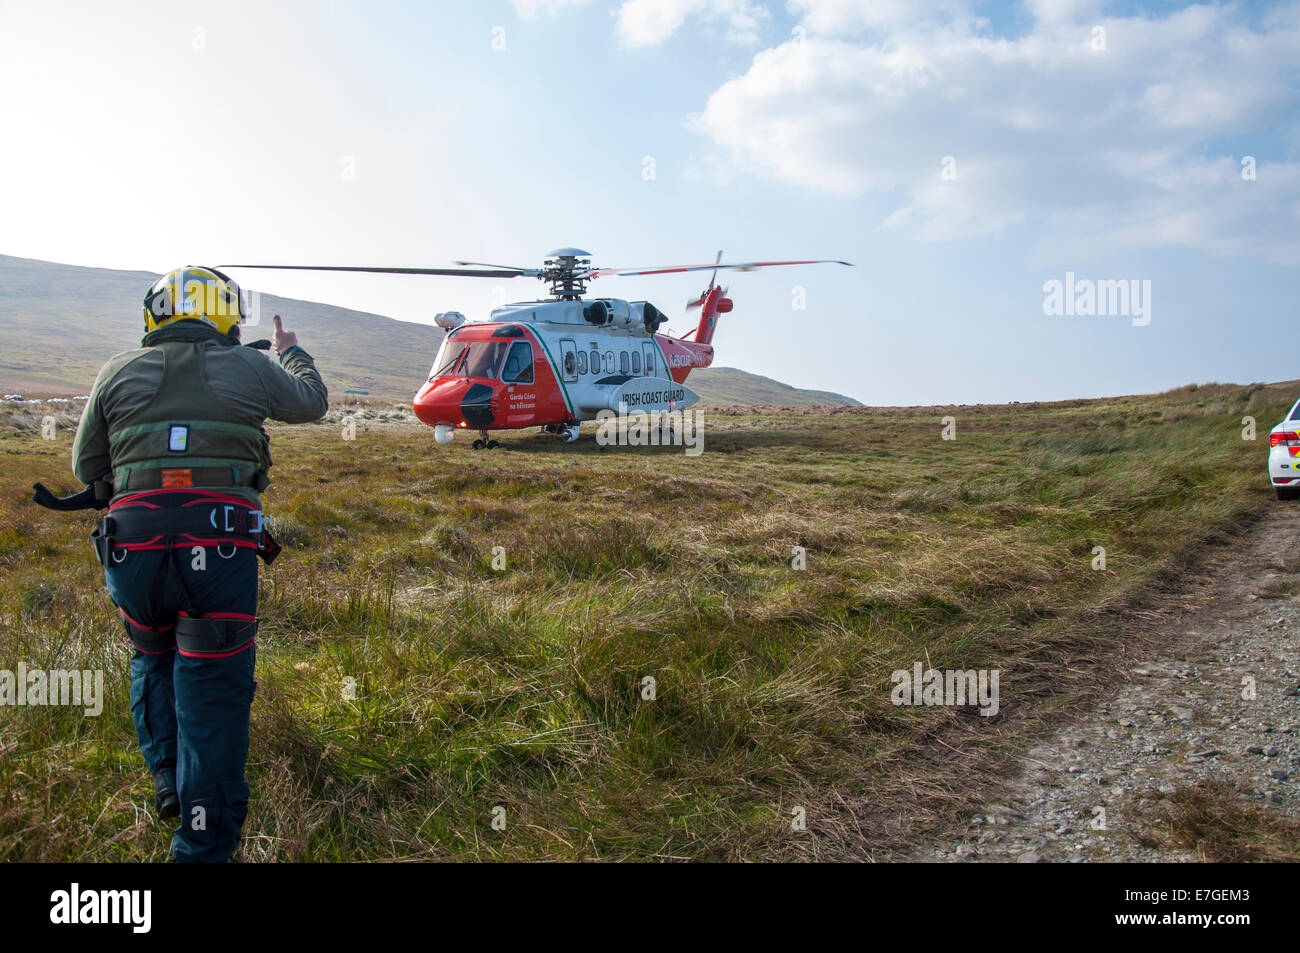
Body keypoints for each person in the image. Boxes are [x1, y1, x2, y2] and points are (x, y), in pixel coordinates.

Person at [70, 266, 328, 862]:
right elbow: (312, 404)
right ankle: (203, 842)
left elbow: (87, 468)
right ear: (225, 315)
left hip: (130, 547)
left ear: (156, 314)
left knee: (152, 654)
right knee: (212, 689)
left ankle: (169, 783)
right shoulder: (253, 365)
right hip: (220, 548)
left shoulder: (115, 370)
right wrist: (292, 353)